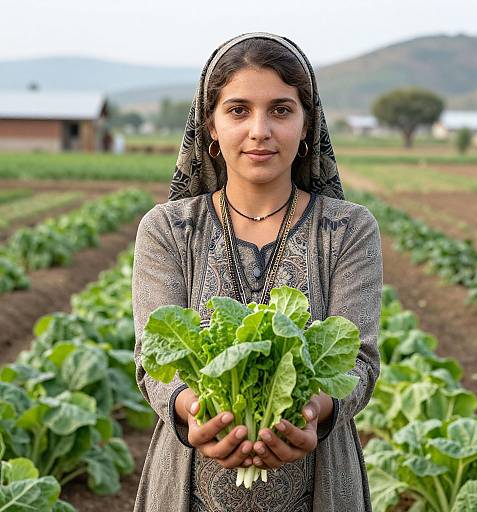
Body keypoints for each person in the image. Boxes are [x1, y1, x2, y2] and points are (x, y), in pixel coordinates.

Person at [132, 32, 383, 512]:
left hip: (321, 489)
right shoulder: (168, 229)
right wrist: (194, 410)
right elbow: (154, 359)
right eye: (238, 110)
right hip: (186, 490)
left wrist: (310, 412)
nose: (260, 130)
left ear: (308, 124)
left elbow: (360, 362)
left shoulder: (348, 230)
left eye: (282, 110)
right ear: (211, 126)